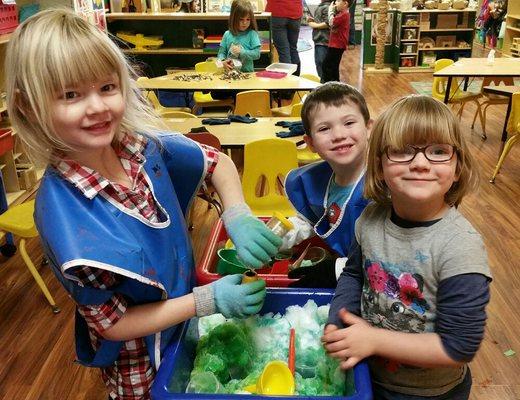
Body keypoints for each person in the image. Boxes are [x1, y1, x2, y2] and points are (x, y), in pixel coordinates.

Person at [5, 9, 281, 400]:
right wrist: (209, 299)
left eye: (106, 87)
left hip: (186, 323)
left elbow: (215, 162)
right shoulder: (64, 218)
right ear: (29, 106)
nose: (98, 107)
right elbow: (113, 325)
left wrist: (237, 212)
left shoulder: (138, 146)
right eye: (71, 95)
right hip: (142, 365)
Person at [323, 95, 492, 399]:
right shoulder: (370, 218)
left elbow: (458, 347)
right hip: (367, 375)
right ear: (379, 166)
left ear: (457, 169)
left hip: (429, 393)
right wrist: (340, 318)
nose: (420, 163)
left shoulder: (460, 247)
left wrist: (373, 340)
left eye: (438, 151)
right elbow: (353, 275)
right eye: (402, 151)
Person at [283, 82, 372, 288]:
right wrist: (276, 238)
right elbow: (313, 220)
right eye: (324, 128)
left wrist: (338, 269)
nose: (339, 135)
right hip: (347, 278)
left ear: (369, 128)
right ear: (311, 143)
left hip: (376, 287)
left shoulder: (385, 186)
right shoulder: (319, 179)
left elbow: (396, 252)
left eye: (349, 123)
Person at [217, 0, 261, 73]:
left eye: (248, 19)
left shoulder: (252, 34)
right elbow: (221, 53)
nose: (245, 23)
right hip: (230, 74)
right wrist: (222, 62)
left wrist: (242, 52)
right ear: (233, 18)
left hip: (248, 74)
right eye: (241, 19)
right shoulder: (227, 34)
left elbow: (257, 54)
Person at [265, 0, 302, 75]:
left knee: (283, 50)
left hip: (277, 11)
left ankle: (288, 83)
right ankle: (296, 79)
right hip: (295, 11)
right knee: (293, 48)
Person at [322, 0, 350, 83]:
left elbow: (331, 22)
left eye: (338, 1)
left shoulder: (344, 14)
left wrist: (330, 10)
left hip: (337, 45)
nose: (335, 3)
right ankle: (335, 84)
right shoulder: (342, 14)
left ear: (345, 3)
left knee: (326, 66)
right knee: (333, 66)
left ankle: (329, 85)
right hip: (337, 44)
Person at [307, 0, 331, 80]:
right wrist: (313, 20)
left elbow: (328, 23)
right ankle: (323, 82)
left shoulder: (327, 7)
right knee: (319, 63)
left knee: (321, 63)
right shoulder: (322, 6)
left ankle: (324, 84)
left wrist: (314, 25)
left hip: (323, 40)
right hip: (319, 40)